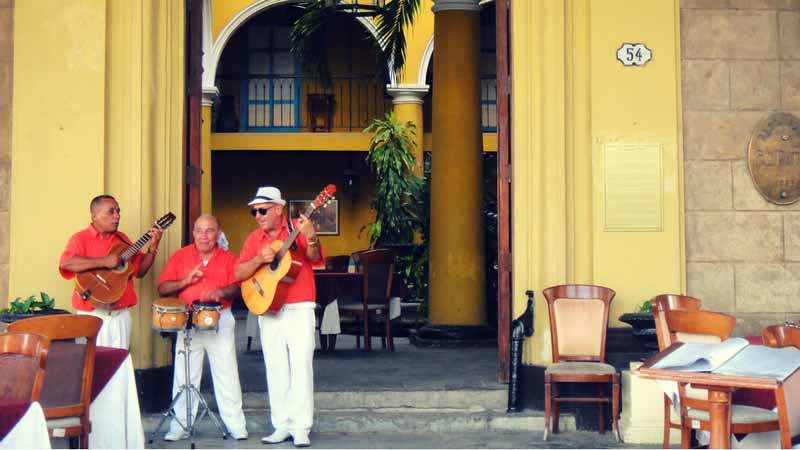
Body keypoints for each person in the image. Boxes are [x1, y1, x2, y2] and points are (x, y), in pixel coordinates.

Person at [235, 186, 322, 448]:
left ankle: (301, 427)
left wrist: (312, 237)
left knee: (301, 366)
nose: (258, 215)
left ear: (277, 209)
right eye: (254, 212)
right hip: (269, 307)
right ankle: (281, 425)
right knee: (275, 367)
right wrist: (260, 260)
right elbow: (239, 273)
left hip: (299, 305)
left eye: (262, 210)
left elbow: (314, 257)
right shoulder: (254, 239)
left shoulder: (299, 227)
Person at [156, 214, 248, 442]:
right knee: (184, 374)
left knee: (226, 372)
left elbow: (239, 289)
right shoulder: (180, 256)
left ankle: (236, 425)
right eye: (199, 230)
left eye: (210, 231)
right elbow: (163, 288)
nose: (204, 236)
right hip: (187, 320)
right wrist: (186, 281)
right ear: (193, 233)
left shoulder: (229, 259)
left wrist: (221, 292)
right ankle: (180, 425)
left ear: (218, 233)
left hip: (220, 318)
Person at [59, 195, 161, 349]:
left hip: (121, 316)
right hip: (92, 315)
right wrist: (104, 261)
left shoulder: (123, 240)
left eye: (118, 211)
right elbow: (66, 264)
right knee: (92, 366)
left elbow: (139, 271)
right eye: (111, 212)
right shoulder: (80, 239)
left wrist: (153, 248)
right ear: (94, 215)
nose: (117, 216)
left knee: (119, 365)